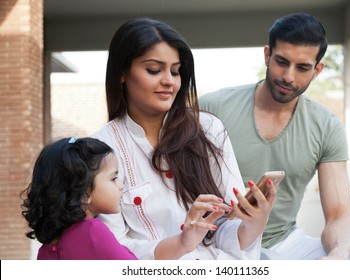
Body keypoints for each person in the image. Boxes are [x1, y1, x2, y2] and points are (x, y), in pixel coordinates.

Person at [92, 17, 276, 260]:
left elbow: (228, 228)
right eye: (154, 70)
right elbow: (114, 249)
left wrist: (255, 222)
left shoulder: (208, 128)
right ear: (122, 73)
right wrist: (180, 243)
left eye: (176, 71)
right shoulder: (102, 149)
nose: (169, 80)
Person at [199, 13, 350, 260]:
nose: (288, 77)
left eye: (302, 67)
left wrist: (338, 255)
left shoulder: (326, 126)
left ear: (317, 70)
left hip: (285, 242)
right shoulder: (212, 108)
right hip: (214, 240)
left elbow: (339, 214)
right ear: (266, 56)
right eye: (281, 62)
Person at [20, 137, 138, 260]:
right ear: (85, 194)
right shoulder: (92, 231)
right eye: (113, 179)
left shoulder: (46, 248)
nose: (121, 185)